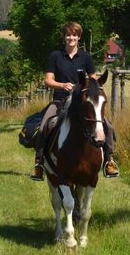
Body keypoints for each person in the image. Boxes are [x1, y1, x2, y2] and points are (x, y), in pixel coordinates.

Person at [29, 21, 119, 181]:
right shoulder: (55, 56)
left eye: (74, 35)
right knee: (44, 125)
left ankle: (108, 161)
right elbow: (48, 80)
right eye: (68, 35)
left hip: (82, 102)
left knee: (108, 126)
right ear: (64, 37)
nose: (71, 38)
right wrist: (61, 85)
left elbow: (93, 80)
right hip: (60, 101)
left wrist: (92, 86)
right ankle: (39, 163)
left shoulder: (86, 57)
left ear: (79, 37)